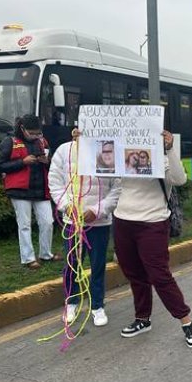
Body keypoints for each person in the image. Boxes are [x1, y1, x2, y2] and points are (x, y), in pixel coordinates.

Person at [114, 130, 192, 348]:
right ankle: (143, 319)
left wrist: (170, 149)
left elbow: (180, 179)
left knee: (159, 275)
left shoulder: (161, 160)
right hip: (123, 221)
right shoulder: (121, 156)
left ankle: (185, 321)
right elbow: (103, 175)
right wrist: (83, 143)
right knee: (134, 274)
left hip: (152, 223)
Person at [48, 129, 122, 326]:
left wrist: (99, 210)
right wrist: (66, 206)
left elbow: (117, 187)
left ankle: (97, 306)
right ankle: (71, 302)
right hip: (73, 222)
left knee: (97, 266)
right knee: (71, 264)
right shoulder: (64, 151)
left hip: (99, 223)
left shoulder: (109, 153)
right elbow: (55, 182)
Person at [0, 114, 60, 269]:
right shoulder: (9, 142)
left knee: (47, 222)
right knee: (24, 225)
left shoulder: (42, 141)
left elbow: (52, 165)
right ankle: (28, 258)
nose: (35, 136)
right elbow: (0, 165)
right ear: (22, 128)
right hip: (19, 190)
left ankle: (46, 254)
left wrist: (47, 162)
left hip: (41, 189)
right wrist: (22, 162)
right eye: (31, 133)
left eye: (38, 133)